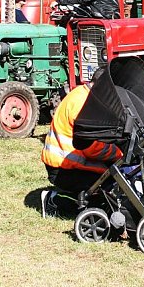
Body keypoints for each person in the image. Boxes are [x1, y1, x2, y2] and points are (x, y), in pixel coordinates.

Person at [40, 82, 122, 217]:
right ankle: (54, 200)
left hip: (63, 163)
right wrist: (119, 153)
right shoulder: (84, 106)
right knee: (105, 196)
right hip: (64, 169)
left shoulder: (82, 94)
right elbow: (91, 148)